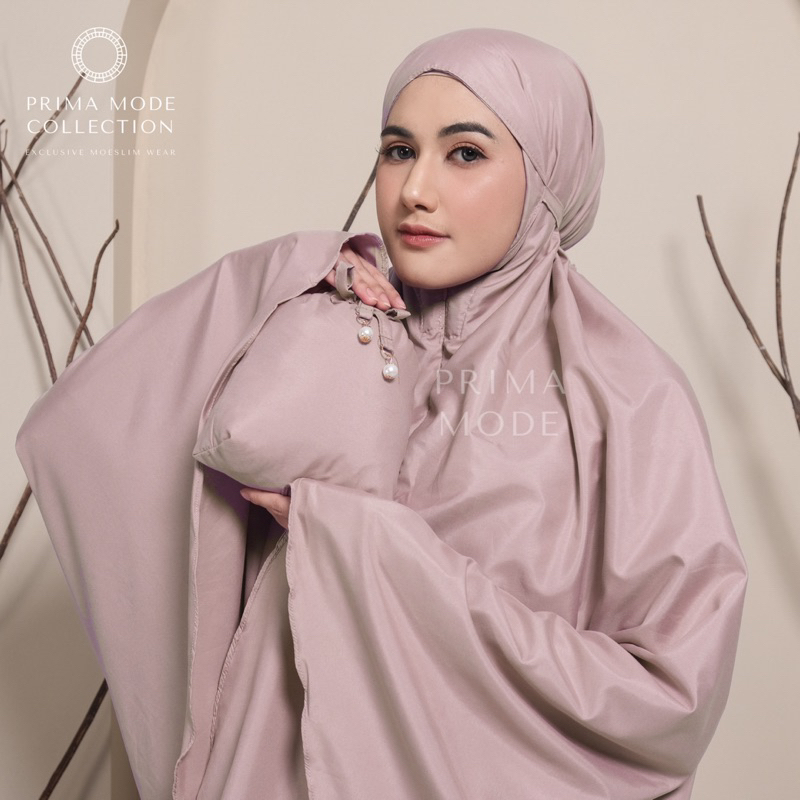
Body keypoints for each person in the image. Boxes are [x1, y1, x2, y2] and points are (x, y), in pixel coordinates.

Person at [17, 28, 746, 800]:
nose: (415, 190)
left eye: (465, 153)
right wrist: (289, 278)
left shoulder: (628, 396)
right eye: (399, 150)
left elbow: (668, 698)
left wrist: (359, 542)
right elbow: (92, 428)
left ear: (548, 175)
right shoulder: (334, 328)